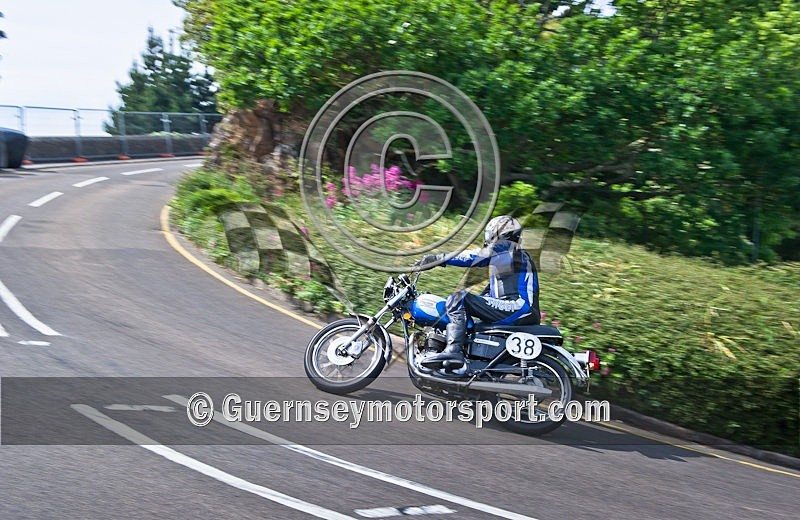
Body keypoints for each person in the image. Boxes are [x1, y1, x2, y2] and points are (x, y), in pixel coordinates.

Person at [417, 215, 540, 369]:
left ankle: (454, 350)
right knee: (467, 308)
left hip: (518, 307)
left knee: (458, 298)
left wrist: (439, 258)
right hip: (517, 308)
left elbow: (475, 256)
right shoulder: (510, 257)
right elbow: (489, 294)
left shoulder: (507, 249)